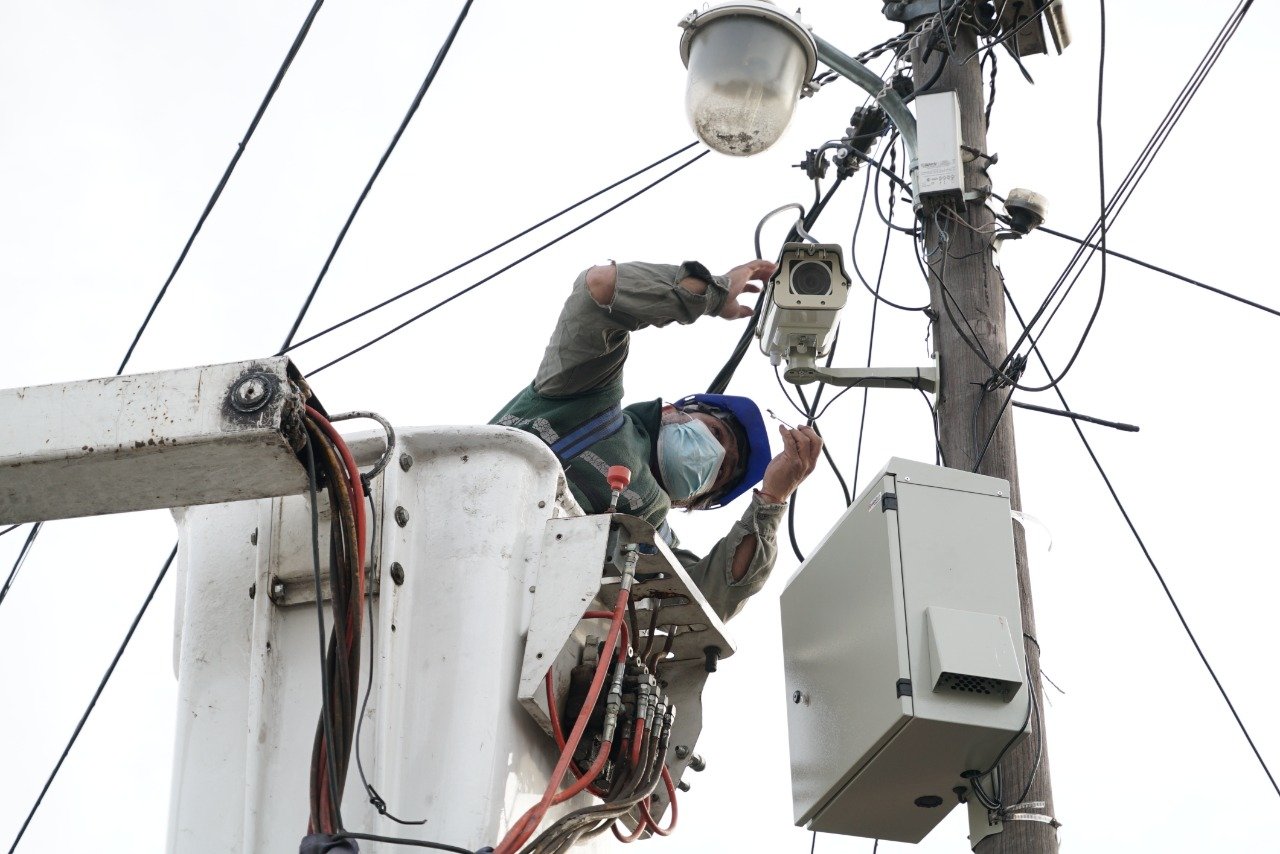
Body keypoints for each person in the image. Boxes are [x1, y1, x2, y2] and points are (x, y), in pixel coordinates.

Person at [491, 259, 821, 621]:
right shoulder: (585, 395)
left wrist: (772, 500)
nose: (714, 457)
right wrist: (712, 293)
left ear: (691, 503)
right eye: (715, 433)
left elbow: (707, 603)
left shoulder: (653, 545)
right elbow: (600, 289)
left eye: (722, 472)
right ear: (669, 412)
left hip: (516, 625)